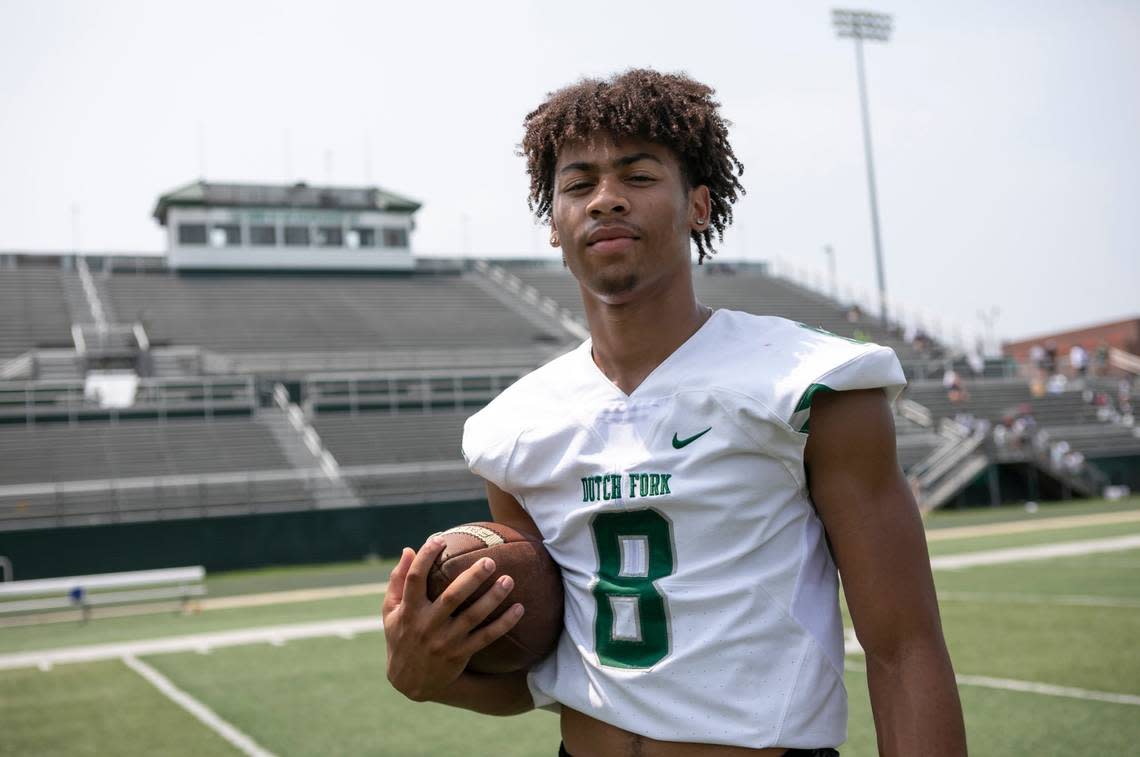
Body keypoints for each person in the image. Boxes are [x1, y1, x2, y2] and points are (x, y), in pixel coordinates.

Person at [382, 69, 966, 757]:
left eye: (638, 176)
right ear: (554, 224)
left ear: (698, 205)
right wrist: (425, 672)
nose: (605, 200)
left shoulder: (809, 384)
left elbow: (904, 646)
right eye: (578, 184)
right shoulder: (517, 426)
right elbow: (548, 667)